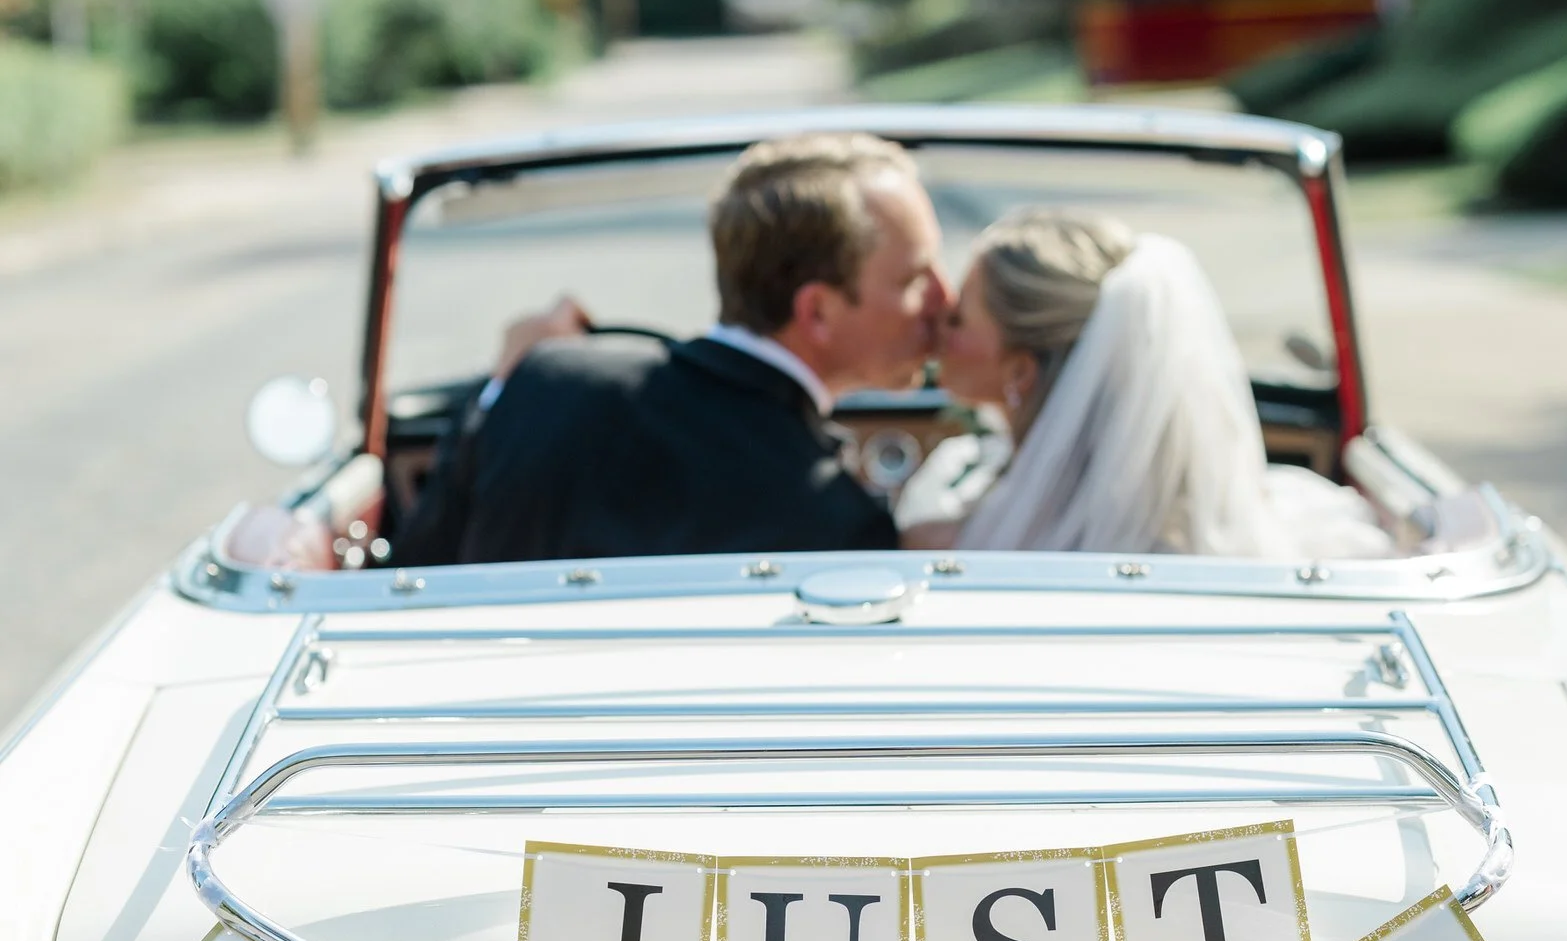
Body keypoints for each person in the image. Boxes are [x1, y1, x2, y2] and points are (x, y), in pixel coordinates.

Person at [393, 131, 950, 566]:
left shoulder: (553, 378)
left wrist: (502, 390)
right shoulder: (838, 522)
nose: (943, 301)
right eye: (915, 281)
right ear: (817, 313)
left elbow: (416, 569)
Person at [897, 207, 1391, 560]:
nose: (939, 322)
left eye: (959, 318)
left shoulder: (968, 540)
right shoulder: (1207, 514)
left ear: (1020, 372)